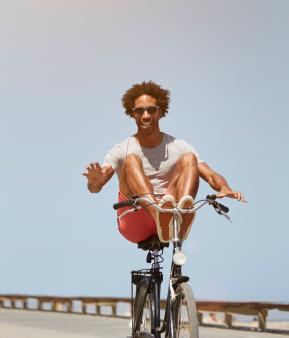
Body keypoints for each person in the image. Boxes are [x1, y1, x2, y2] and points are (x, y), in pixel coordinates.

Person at [82, 81, 247, 244]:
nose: (145, 116)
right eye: (139, 111)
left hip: (170, 215)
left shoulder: (179, 146)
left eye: (151, 110)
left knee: (189, 158)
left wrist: (225, 188)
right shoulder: (122, 149)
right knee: (131, 159)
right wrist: (95, 183)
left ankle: (180, 215)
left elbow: (210, 176)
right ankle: (159, 216)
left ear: (159, 112)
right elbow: (97, 185)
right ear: (133, 114)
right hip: (136, 218)